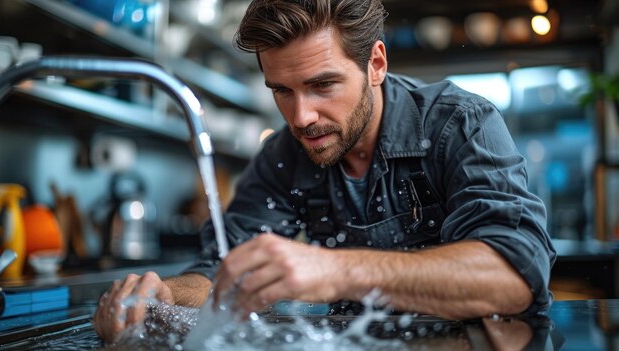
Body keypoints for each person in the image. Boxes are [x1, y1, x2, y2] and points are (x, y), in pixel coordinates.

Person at [94, 0, 556, 343]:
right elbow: (222, 270)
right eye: (282, 91)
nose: (300, 117)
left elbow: (513, 276)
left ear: (375, 64)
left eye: (323, 86)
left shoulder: (460, 123)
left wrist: (336, 270)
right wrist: (166, 295)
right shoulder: (284, 156)